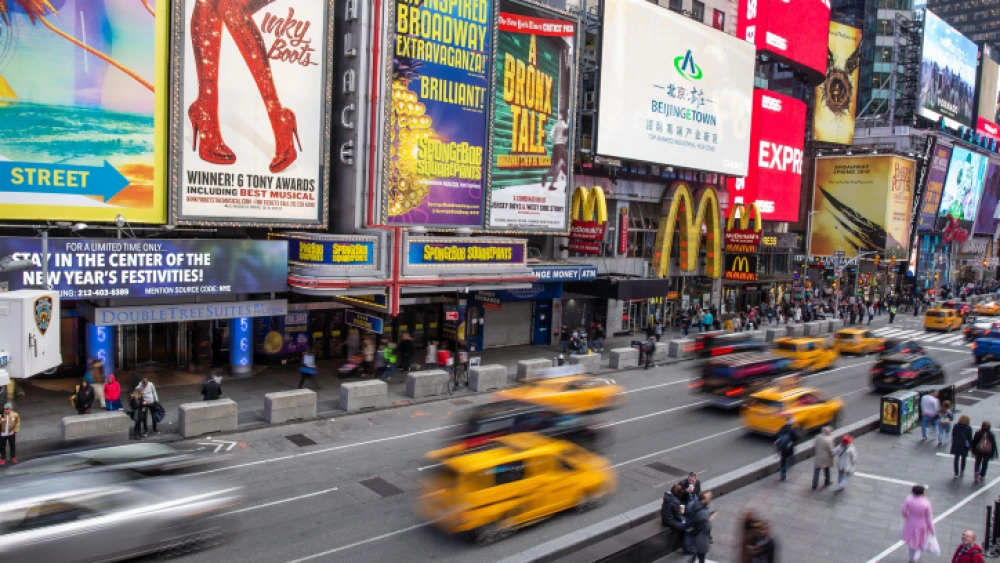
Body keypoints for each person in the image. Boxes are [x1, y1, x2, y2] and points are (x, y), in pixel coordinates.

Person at [902, 485, 937, 563]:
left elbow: (904, 510)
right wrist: (932, 530)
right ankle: (915, 558)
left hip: (911, 523)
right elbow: (929, 518)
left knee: (911, 542)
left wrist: (908, 516)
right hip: (922, 525)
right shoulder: (926, 503)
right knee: (920, 542)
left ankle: (911, 558)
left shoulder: (909, 499)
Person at [686, 491, 715, 563]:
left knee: (695, 555)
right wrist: (710, 518)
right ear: (704, 499)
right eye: (709, 498)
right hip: (700, 538)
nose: (710, 500)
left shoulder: (692, 504)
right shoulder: (704, 513)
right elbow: (706, 526)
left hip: (692, 535)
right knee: (701, 557)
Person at [775, 416, 797, 481]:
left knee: (783, 460)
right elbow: (795, 438)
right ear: (791, 423)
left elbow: (777, 436)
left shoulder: (782, 428)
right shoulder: (792, 430)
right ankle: (787, 467)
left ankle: (782, 472)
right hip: (789, 448)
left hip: (782, 448)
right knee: (790, 458)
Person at [812, 425, 835, 490]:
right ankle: (827, 481)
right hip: (826, 458)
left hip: (818, 456)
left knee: (816, 471)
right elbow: (831, 450)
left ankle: (814, 484)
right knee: (827, 469)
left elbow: (814, 446)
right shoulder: (829, 439)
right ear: (828, 432)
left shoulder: (818, 437)